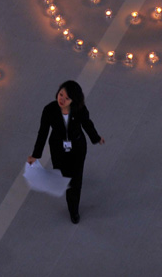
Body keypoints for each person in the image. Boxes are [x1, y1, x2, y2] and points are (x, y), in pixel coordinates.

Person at [27, 81, 105, 223]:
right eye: (61, 94)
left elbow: (87, 123)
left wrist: (96, 138)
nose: (61, 99)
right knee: (62, 175)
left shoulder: (79, 110)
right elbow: (43, 133)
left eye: (67, 98)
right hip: (58, 147)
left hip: (77, 148)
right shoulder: (49, 110)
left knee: (75, 181)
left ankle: (73, 210)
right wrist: (35, 155)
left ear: (73, 100)